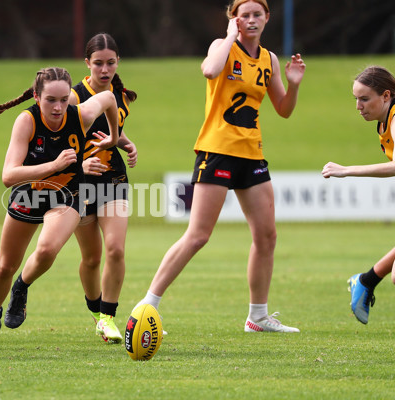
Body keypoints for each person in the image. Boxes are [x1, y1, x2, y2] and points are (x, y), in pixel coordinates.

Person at [133, 0, 306, 333]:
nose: (251, 20)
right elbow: (211, 70)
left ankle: (257, 317)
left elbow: (283, 109)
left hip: (252, 154)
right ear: (235, 19)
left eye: (258, 15)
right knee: (198, 236)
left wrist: (294, 83)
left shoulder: (269, 59)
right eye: (244, 15)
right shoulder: (221, 47)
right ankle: (147, 305)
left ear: (267, 18)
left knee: (267, 236)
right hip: (217, 151)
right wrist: (229, 35)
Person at [0, 67, 119, 351]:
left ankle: (21, 287)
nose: (58, 107)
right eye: (50, 100)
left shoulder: (81, 115)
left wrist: (113, 136)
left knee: (47, 250)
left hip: (68, 195)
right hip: (29, 193)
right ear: (37, 97)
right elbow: (8, 176)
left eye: (63, 99)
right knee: (4, 267)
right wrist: (54, 166)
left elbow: (109, 97)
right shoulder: (26, 121)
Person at [70, 33, 137, 343]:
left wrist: (126, 143)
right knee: (92, 259)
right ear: (87, 64)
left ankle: (109, 316)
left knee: (116, 249)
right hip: (79, 185)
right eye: (98, 63)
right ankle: (97, 314)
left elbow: (110, 130)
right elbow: (65, 138)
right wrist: (80, 164)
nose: (104, 69)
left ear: (117, 62)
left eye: (110, 63)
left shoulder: (121, 96)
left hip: (113, 181)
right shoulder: (72, 96)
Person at [322, 66, 395, 325]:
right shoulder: (384, 123)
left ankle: (366, 281)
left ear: (386, 96)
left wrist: (347, 170)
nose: (358, 106)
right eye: (356, 99)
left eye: (364, 99)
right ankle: (366, 281)